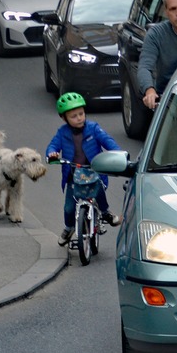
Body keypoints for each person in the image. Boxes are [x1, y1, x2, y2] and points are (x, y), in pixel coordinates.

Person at [45, 91, 122, 245]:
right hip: (73, 174)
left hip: (94, 171)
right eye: (73, 116)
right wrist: (52, 153)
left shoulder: (93, 128)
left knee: (98, 191)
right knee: (69, 207)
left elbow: (107, 140)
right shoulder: (62, 133)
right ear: (64, 118)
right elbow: (53, 145)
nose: (79, 118)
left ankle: (105, 212)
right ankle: (69, 227)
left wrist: (117, 153)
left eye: (81, 113)